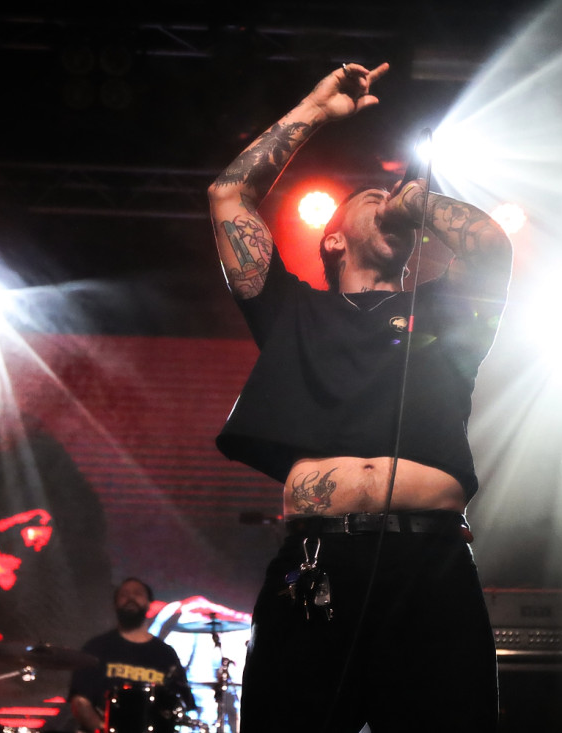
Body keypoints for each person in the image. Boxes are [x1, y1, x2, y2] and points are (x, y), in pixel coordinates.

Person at [207, 61, 513, 732]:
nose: (386, 197)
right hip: (318, 561)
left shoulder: (443, 315)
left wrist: (414, 202)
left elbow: (490, 246)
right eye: (370, 197)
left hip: (430, 563)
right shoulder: (293, 312)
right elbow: (230, 195)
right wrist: (315, 111)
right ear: (333, 237)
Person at [69, 578, 196, 733]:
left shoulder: (166, 654)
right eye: (124, 595)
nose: (130, 598)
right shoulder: (96, 648)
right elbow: (80, 701)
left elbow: (183, 703)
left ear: (149, 604)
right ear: (115, 604)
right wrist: (101, 729)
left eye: (137, 594)